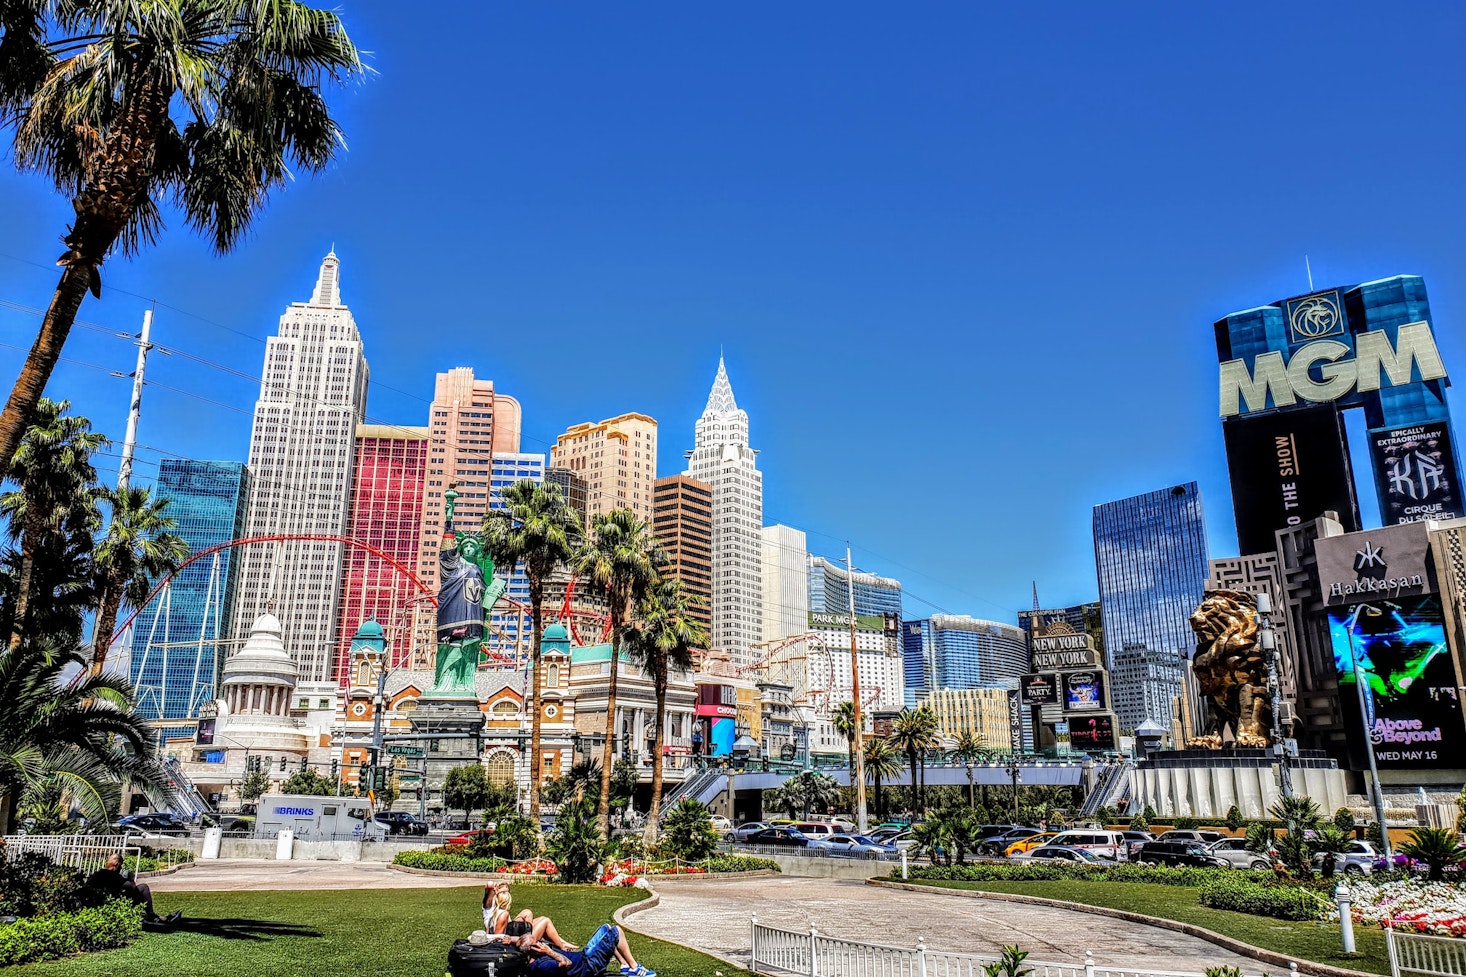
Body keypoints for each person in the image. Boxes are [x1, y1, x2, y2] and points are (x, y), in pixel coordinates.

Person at [519, 923, 653, 977]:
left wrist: (511, 939)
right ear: (533, 950)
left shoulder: (534, 956)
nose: (541, 942)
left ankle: (624, 965)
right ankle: (634, 967)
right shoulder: (542, 965)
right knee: (616, 931)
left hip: (585, 956)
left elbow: (521, 944)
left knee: (606, 928)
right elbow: (567, 964)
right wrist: (549, 952)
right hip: (590, 965)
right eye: (537, 942)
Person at [85, 854, 181, 923]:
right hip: (115, 901)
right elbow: (131, 888)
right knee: (143, 887)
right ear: (117, 864)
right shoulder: (113, 875)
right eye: (120, 865)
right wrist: (131, 878)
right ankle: (151, 915)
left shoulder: (99, 873)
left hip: (101, 901)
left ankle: (152, 916)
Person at [483, 881, 577, 950]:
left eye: (507, 892)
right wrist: (516, 940)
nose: (506, 894)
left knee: (528, 912)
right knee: (545, 921)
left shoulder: (499, 912)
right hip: (511, 943)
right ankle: (562, 949)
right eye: (503, 892)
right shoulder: (492, 907)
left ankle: (561, 943)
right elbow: (499, 939)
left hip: (511, 936)